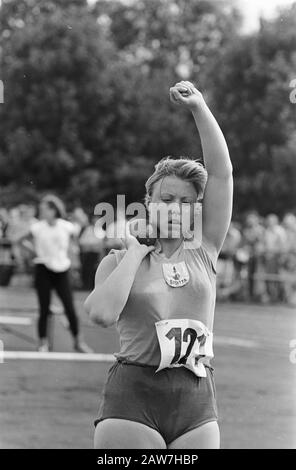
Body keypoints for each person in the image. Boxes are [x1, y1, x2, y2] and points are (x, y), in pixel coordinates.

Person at [85, 81, 233, 449]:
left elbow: (222, 175)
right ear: (148, 201)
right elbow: (101, 315)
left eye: (187, 202)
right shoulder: (118, 260)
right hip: (133, 398)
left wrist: (199, 106)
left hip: (196, 398)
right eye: (167, 198)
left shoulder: (205, 248)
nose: (176, 207)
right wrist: (136, 252)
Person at [16, 195, 92, 353]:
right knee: (44, 308)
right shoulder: (38, 227)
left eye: (44, 209)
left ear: (53, 210)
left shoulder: (66, 226)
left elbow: (80, 230)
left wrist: (72, 250)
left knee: (69, 307)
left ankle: (78, 341)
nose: (42, 211)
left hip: (61, 269)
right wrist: (33, 251)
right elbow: (18, 239)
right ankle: (42, 342)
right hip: (43, 268)